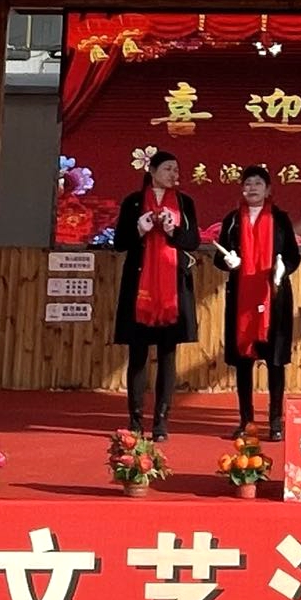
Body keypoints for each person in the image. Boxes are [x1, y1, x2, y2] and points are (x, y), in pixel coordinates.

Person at [112, 150, 199, 438]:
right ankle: (135, 420)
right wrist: (139, 228)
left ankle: (161, 421)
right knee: (137, 355)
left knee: (167, 354)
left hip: (173, 288)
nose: (174, 174)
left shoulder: (184, 203)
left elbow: (193, 242)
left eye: (176, 169)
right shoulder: (133, 202)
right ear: (152, 171)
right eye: (168, 169)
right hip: (140, 288)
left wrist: (174, 230)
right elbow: (120, 243)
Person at [212, 165, 300, 440]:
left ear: (268, 189)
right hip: (241, 299)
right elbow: (218, 257)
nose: (252, 188)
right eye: (248, 184)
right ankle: (246, 421)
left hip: (274, 297)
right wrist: (228, 261)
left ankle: (275, 422)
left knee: (275, 362)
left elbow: (293, 256)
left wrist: (283, 268)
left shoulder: (280, 219)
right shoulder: (232, 220)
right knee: (243, 363)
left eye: (258, 184)